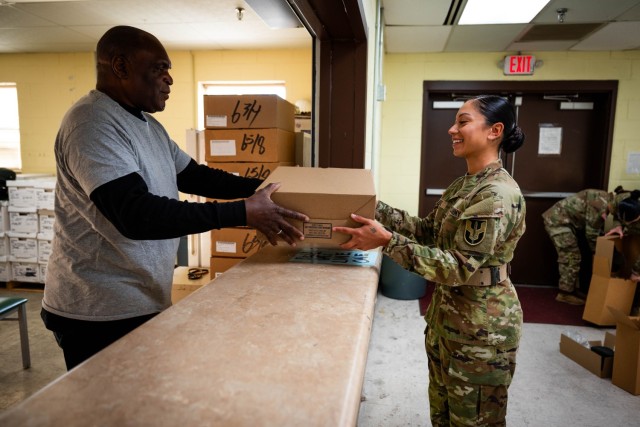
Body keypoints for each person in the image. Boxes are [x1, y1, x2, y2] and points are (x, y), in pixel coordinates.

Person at [41, 25, 308, 371]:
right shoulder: (92, 123)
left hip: (140, 295)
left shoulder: (149, 126)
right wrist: (242, 212)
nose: (169, 79)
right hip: (97, 310)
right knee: (109, 413)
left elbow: (196, 176)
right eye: (159, 68)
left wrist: (272, 187)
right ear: (120, 66)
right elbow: (135, 214)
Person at [334, 95, 526, 426]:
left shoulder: (496, 194)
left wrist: (386, 241)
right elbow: (426, 231)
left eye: (463, 122)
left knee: (474, 421)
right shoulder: (464, 186)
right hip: (448, 323)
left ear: (495, 130)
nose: (452, 129)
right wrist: (371, 206)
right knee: (443, 415)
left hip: (482, 333)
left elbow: (457, 268)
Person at [542, 186, 631, 305]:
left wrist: (617, 225)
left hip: (566, 221)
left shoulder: (607, 199)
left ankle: (572, 289)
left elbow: (615, 214)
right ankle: (565, 293)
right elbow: (591, 234)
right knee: (571, 256)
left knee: (575, 255)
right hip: (557, 222)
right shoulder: (600, 206)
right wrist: (601, 255)